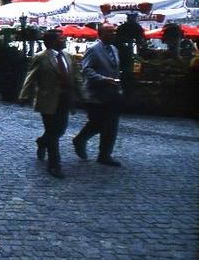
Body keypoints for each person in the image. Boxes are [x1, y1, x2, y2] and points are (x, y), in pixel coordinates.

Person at [18, 29, 83, 178]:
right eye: (61, 38)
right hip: (47, 99)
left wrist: (82, 94)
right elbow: (30, 77)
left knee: (61, 130)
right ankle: (54, 165)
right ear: (52, 41)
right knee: (53, 132)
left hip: (65, 99)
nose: (64, 40)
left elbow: (76, 76)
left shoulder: (68, 56)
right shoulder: (41, 57)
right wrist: (24, 95)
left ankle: (42, 142)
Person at [72, 24, 124, 167]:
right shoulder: (93, 49)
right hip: (96, 93)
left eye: (114, 31)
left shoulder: (114, 49)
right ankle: (80, 139)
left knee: (112, 124)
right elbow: (86, 70)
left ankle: (104, 155)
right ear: (101, 34)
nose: (113, 34)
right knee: (98, 122)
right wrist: (102, 79)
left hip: (112, 93)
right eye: (109, 32)